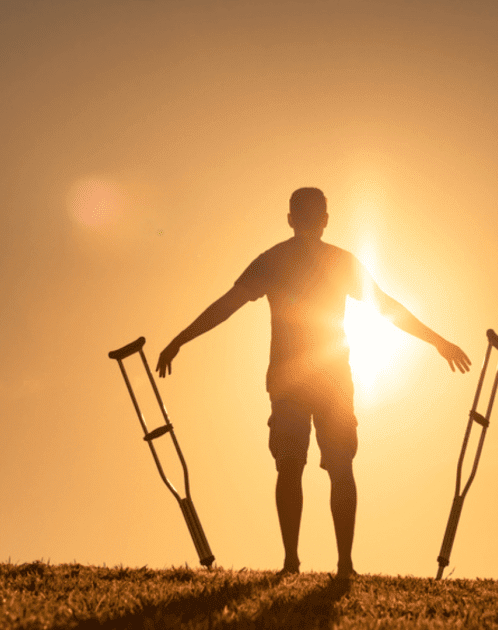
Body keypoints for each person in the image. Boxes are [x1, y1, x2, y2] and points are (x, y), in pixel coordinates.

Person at [156, 187, 471, 579]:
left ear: (298, 219)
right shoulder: (323, 260)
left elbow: (227, 305)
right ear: (322, 219)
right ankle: (337, 566)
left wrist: (179, 340)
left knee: (299, 467)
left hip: (306, 380)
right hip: (322, 380)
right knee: (332, 467)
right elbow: (386, 307)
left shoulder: (278, 260)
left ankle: (301, 563)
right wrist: (438, 342)